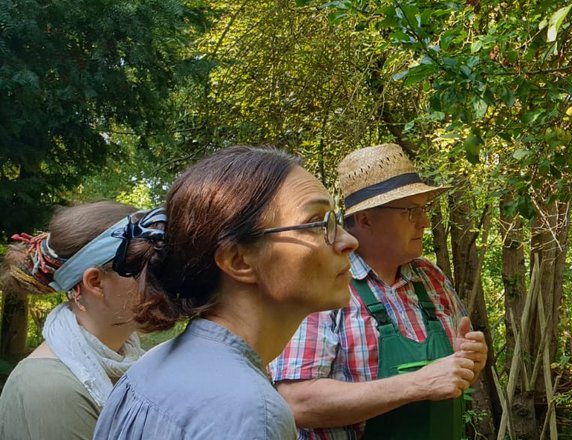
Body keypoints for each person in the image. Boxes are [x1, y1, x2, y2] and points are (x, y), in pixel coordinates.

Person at [93, 146, 359, 439]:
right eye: (316, 223)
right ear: (239, 261)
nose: (348, 241)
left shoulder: (149, 367)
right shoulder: (253, 413)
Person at [272, 143, 488, 440]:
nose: (424, 222)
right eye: (411, 211)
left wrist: (470, 362)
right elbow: (296, 402)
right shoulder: (324, 283)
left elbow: (452, 377)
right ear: (365, 219)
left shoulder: (431, 278)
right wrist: (416, 385)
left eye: (424, 209)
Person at [0, 201, 164, 439]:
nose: (166, 284)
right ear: (95, 283)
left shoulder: (131, 361)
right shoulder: (50, 389)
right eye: (148, 270)